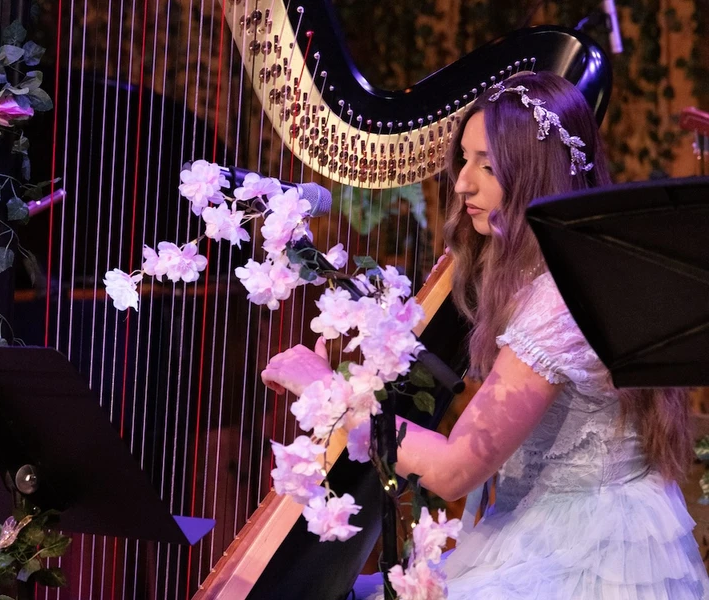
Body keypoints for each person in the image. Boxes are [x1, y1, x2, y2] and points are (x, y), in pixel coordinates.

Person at [261, 71, 709, 599]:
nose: (461, 183)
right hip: (552, 525)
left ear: (536, 178)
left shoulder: (556, 301)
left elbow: (453, 472)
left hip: (587, 554)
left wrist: (326, 392)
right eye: (465, 159)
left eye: (488, 166)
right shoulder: (547, 272)